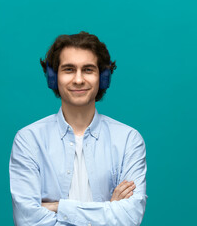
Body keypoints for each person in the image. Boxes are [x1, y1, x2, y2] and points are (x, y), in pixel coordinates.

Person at [9, 31, 147, 225]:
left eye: (88, 70)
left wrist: (58, 207)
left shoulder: (128, 140)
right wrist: (109, 209)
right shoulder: (29, 140)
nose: (79, 79)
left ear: (104, 77)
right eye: (69, 69)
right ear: (53, 77)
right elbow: (28, 221)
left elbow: (128, 218)